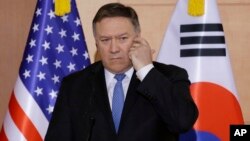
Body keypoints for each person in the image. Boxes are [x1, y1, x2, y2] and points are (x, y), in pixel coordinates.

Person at [45, 2, 198, 141]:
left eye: (122, 38)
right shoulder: (75, 85)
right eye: (105, 40)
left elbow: (182, 121)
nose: (114, 49)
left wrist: (146, 71)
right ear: (96, 44)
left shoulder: (170, 76)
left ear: (137, 39)